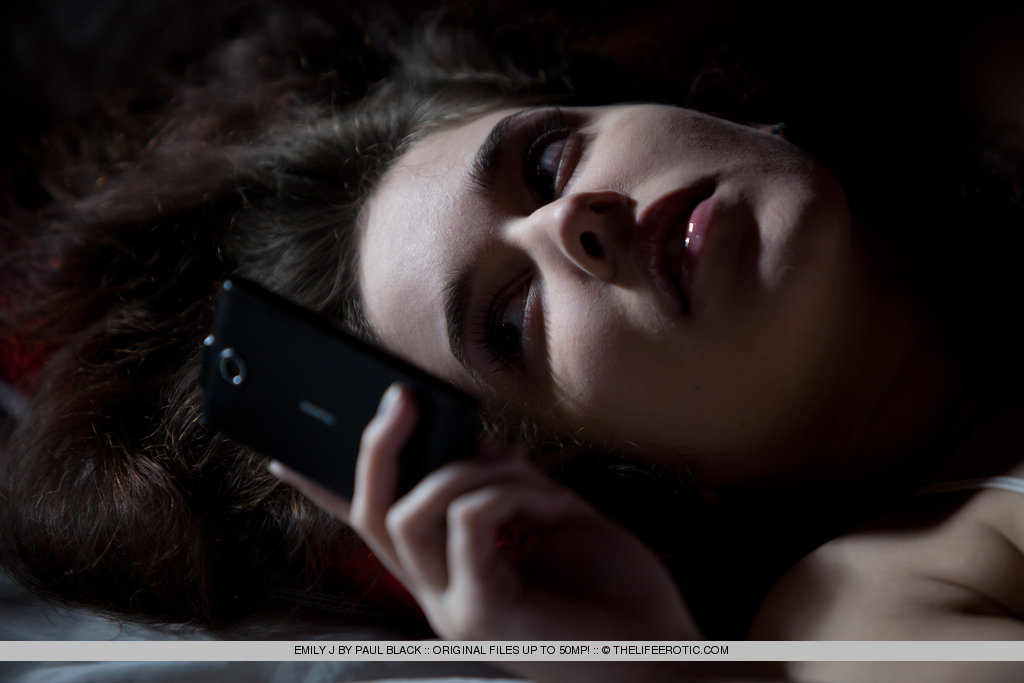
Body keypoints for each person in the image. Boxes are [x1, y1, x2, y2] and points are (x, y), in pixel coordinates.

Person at [1, 1, 1023, 681]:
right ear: (622, 478)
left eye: (545, 160)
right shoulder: (867, 618)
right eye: (511, 321)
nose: (571, 222)